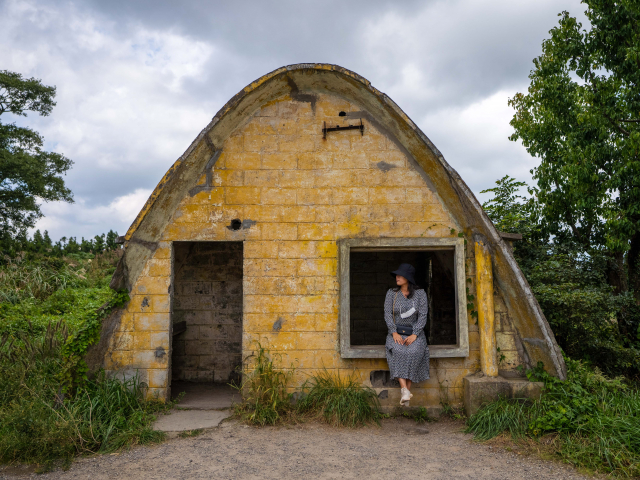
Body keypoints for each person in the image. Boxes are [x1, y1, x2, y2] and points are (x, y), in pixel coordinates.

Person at [384, 263, 430, 406]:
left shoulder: (420, 294)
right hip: (396, 332)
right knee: (398, 350)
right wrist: (394, 332)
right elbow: (387, 314)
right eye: (396, 275)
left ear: (408, 278)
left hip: (415, 334)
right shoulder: (392, 293)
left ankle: (405, 393)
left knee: (414, 351)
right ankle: (405, 390)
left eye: (400, 275)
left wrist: (415, 334)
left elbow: (423, 315)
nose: (397, 277)